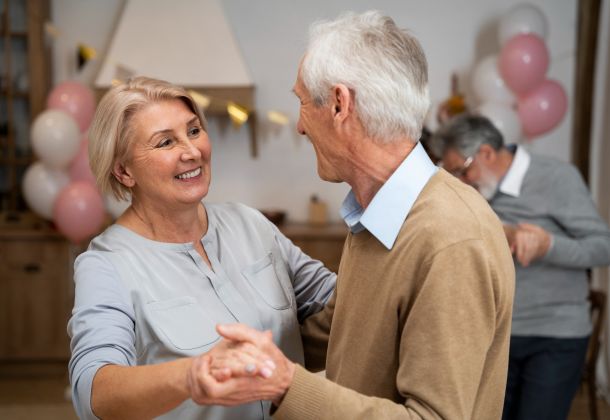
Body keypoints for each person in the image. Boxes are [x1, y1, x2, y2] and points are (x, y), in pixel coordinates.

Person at [196, 10, 516, 419]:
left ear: (339, 104)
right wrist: (223, 349)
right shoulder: (378, 215)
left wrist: (285, 384)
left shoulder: (450, 240)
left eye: (301, 103)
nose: (298, 126)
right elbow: (347, 333)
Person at [67, 76, 336, 420]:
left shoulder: (249, 223)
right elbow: (94, 391)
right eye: (165, 142)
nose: (192, 151)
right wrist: (192, 375)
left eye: (194, 131)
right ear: (124, 171)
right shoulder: (106, 265)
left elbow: (335, 300)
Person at [429, 114, 610, 420]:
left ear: (487, 152)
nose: (460, 182)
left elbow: (602, 247)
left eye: (462, 171)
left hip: (553, 335)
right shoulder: (473, 193)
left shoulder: (556, 178)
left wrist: (548, 245)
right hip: (494, 336)